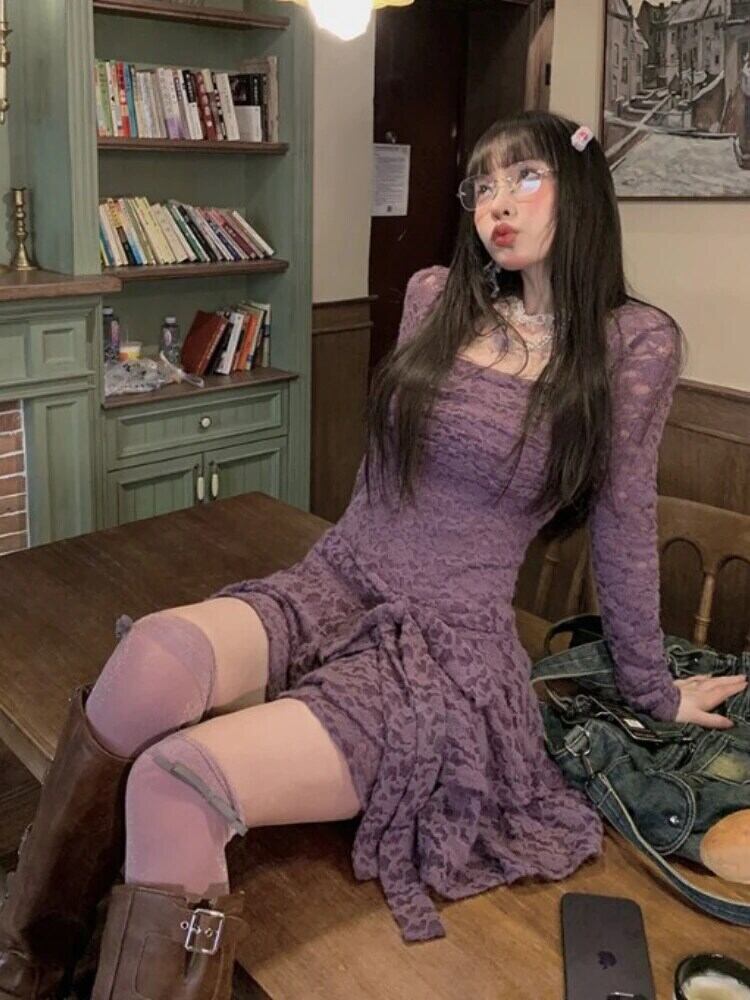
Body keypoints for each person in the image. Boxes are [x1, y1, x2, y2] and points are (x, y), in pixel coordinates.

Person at [1, 110, 746, 998]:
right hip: (338, 579)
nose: (496, 205)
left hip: (443, 650)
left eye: (524, 178)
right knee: (149, 656)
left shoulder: (632, 342)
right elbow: (382, 471)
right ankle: (28, 961)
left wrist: (651, 687)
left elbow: (623, 520)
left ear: (580, 188)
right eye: (481, 186)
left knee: (175, 781)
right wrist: (307, 631)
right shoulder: (437, 295)